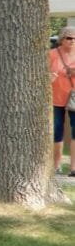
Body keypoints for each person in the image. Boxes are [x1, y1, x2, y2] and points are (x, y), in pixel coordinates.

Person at [49, 26, 75, 175]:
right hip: (56, 98)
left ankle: (73, 168)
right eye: (69, 38)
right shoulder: (52, 54)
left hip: (74, 98)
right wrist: (50, 77)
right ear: (62, 39)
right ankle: (55, 166)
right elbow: (41, 74)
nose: (72, 41)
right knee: (56, 131)